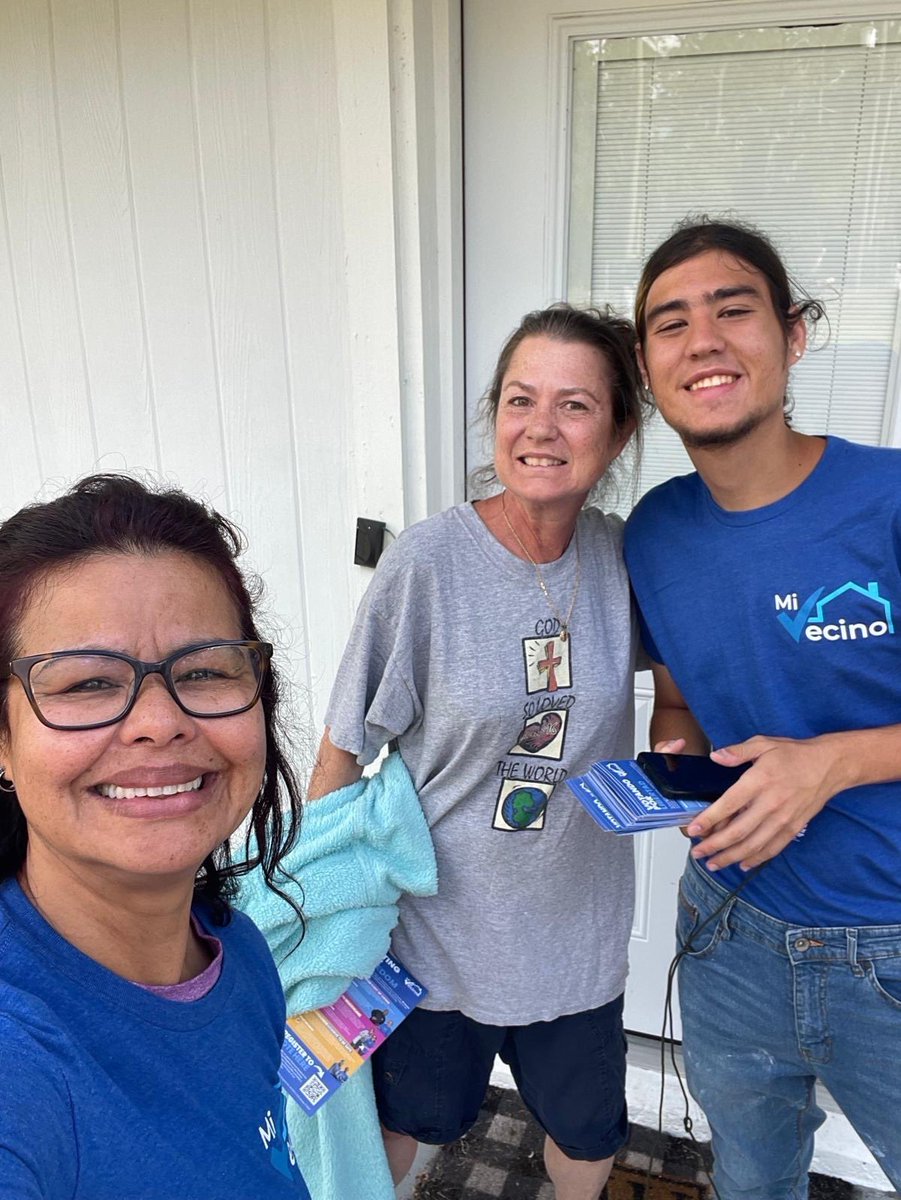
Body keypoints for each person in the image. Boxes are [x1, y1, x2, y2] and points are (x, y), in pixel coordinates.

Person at [308, 303, 649, 1200]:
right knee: (405, 1126)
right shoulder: (427, 564)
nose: (539, 426)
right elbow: (345, 747)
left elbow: (685, 684)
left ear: (617, 433)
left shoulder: (623, 558)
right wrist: (310, 899)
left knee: (585, 1130)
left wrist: (681, 754)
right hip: (438, 937)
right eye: (517, 399)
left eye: (573, 405)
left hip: (576, 932)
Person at [623, 219, 901, 1198]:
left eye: (732, 309)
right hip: (728, 928)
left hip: (888, 940)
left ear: (792, 335)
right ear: (648, 370)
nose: (703, 339)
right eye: (670, 323)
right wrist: (674, 749)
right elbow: (682, 696)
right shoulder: (654, 531)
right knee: (748, 1175)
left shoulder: (889, 499)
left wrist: (828, 762)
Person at [0, 475, 312, 1199]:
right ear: (4, 743)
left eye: (202, 671)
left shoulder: (239, 954)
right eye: (86, 684)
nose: (159, 721)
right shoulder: (20, 1064)